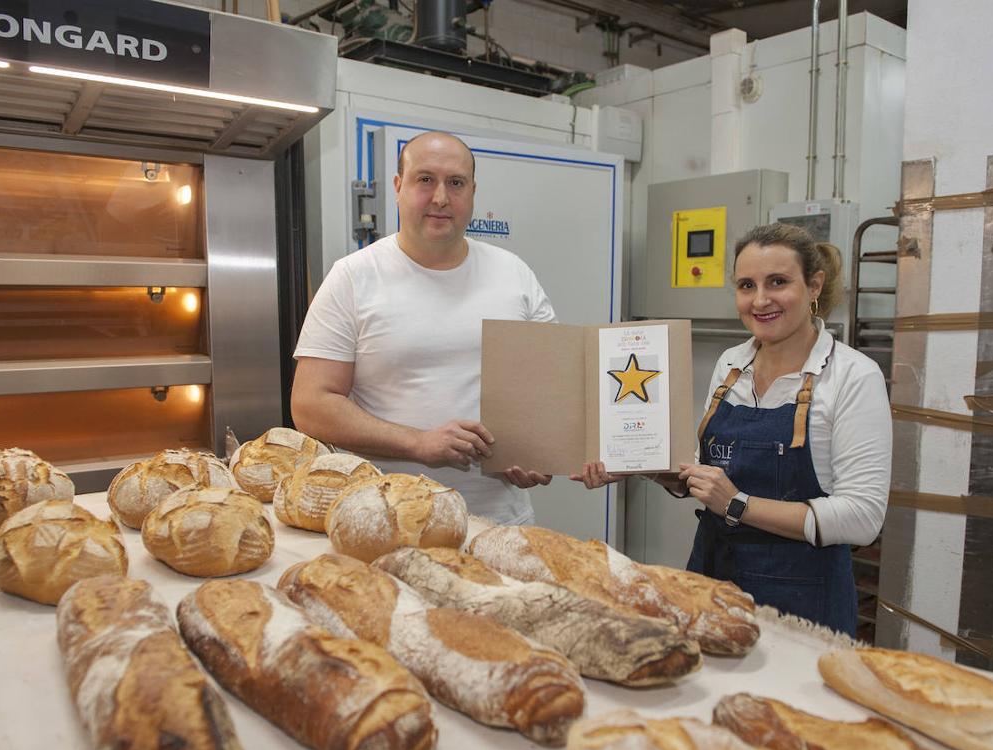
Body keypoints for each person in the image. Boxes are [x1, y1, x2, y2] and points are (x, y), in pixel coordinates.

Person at [575, 223, 891, 635]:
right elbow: (709, 478)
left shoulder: (852, 376)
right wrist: (644, 466)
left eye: (778, 282)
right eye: (746, 285)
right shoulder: (730, 364)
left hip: (803, 603)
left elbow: (862, 517)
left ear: (814, 286)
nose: (760, 300)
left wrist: (738, 504)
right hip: (711, 582)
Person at [291, 130, 555, 525]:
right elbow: (311, 405)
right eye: (425, 179)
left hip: (500, 522)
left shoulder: (513, 273)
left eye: (456, 183)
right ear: (398, 187)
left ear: (473, 192)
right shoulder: (354, 276)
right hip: (385, 522)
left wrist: (538, 451)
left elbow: (551, 388)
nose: (441, 198)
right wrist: (418, 443)